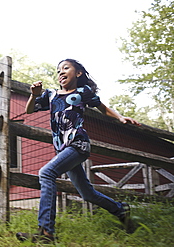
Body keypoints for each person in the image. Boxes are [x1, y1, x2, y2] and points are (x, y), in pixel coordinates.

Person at [16, 59, 141, 244]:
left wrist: (120, 117)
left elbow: (102, 108)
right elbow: (29, 110)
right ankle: (120, 210)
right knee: (87, 194)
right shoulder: (50, 95)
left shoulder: (83, 92)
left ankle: (46, 232)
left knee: (46, 172)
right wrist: (34, 95)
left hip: (78, 144)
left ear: (78, 73)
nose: (61, 72)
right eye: (58, 70)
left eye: (66, 68)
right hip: (62, 150)